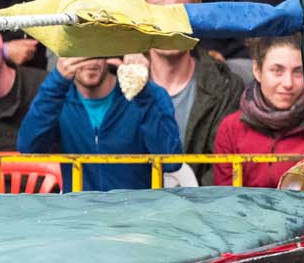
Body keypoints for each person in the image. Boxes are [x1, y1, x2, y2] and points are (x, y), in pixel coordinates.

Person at [17, 57, 182, 192]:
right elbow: (29, 149)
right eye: (82, 51)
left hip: (138, 215)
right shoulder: (58, 96)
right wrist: (57, 80)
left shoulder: (149, 94)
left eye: (97, 50)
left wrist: (140, 90)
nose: (90, 61)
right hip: (80, 216)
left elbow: (171, 162)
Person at [142, 0, 244, 185]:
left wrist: (193, 201)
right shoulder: (120, 84)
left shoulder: (226, 85)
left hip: (205, 201)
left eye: (179, 12)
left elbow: (222, 165)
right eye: (159, 12)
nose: (169, 22)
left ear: (195, 24)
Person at [212, 33, 304, 188]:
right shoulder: (231, 128)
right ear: (257, 70)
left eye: (298, 72)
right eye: (277, 71)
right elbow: (225, 196)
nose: (288, 83)